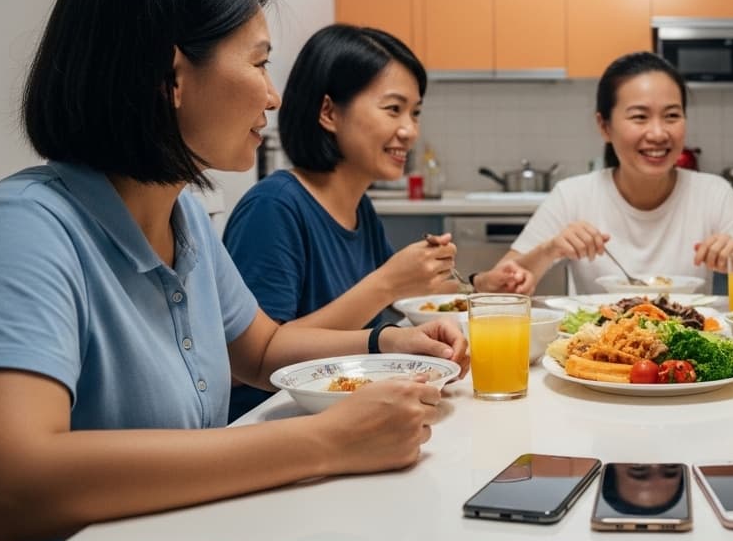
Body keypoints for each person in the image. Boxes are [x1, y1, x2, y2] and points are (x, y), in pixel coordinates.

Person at [0, 0, 520, 541]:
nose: (274, 98)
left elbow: (261, 348)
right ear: (173, 75)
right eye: (259, 63)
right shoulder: (23, 229)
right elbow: (9, 487)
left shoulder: (183, 217)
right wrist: (322, 441)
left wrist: (384, 343)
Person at [221, 24, 528, 421]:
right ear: (329, 112)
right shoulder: (274, 207)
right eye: (393, 109)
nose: (410, 130)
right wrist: (386, 285)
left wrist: (477, 286)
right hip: (274, 426)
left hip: (348, 418)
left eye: (415, 113)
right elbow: (248, 366)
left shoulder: (358, 207)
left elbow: (398, 301)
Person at [501, 51, 733, 296]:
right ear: (604, 126)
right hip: (598, 354)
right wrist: (550, 250)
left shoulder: (714, 193)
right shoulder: (573, 195)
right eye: (639, 117)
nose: (658, 133)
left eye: (672, 116)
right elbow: (496, 290)